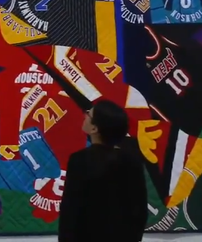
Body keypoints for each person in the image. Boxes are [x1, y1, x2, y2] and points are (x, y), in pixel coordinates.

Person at [58, 100, 148, 241]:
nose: (85, 115)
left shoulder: (79, 160)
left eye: (89, 114)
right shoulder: (133, 161)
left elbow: (70, 212)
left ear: (95, 128)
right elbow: (140, 211)